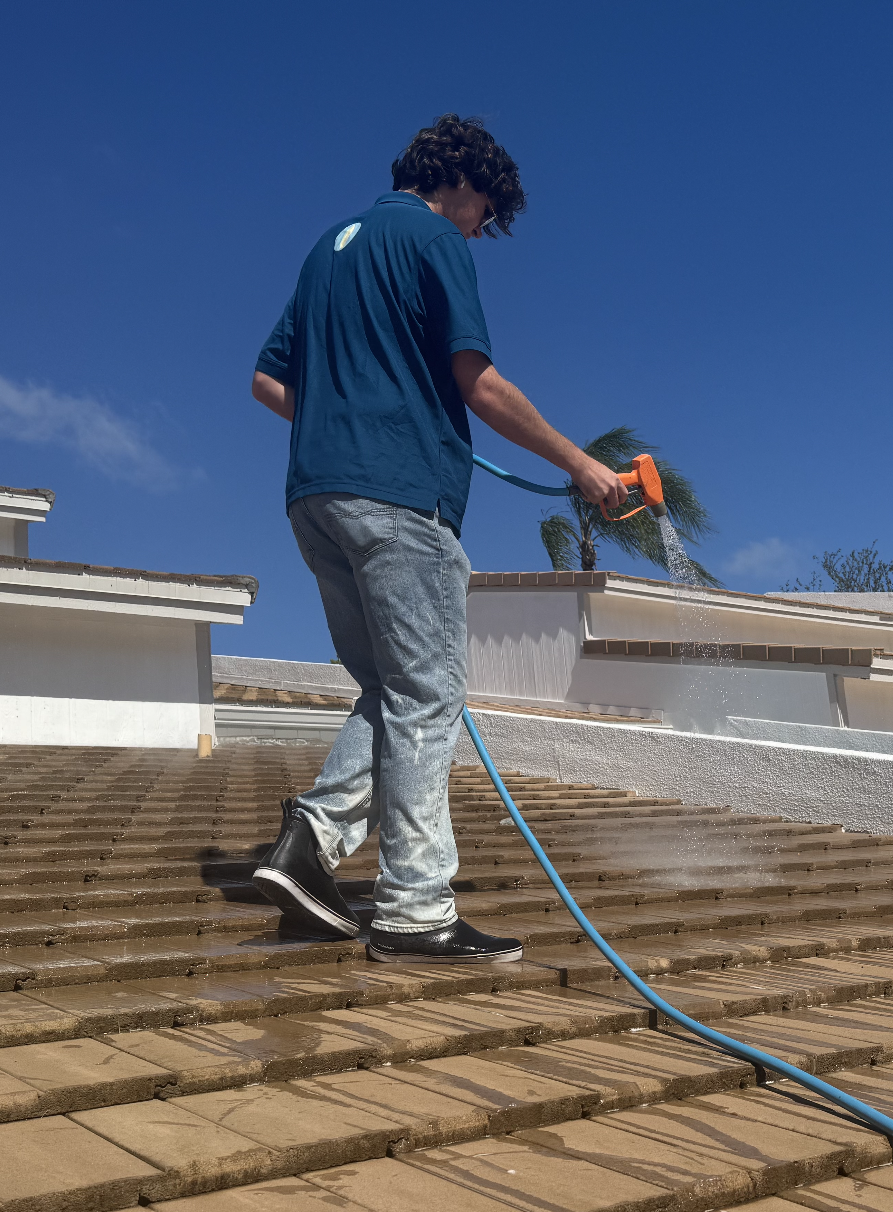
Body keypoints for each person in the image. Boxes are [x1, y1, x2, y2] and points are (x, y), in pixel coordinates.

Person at [248, 114, 627, 963]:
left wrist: (340, 423)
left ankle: (307, 844)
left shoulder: (327, 250)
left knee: (390, 686)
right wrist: (583, 468)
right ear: (462, 182)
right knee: (428, 696)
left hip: (316, 498)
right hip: (397, 500)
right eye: (485, 216)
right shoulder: (430, 238)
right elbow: (479, 384)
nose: (481, 232)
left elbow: (268, 379)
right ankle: (416, 908)